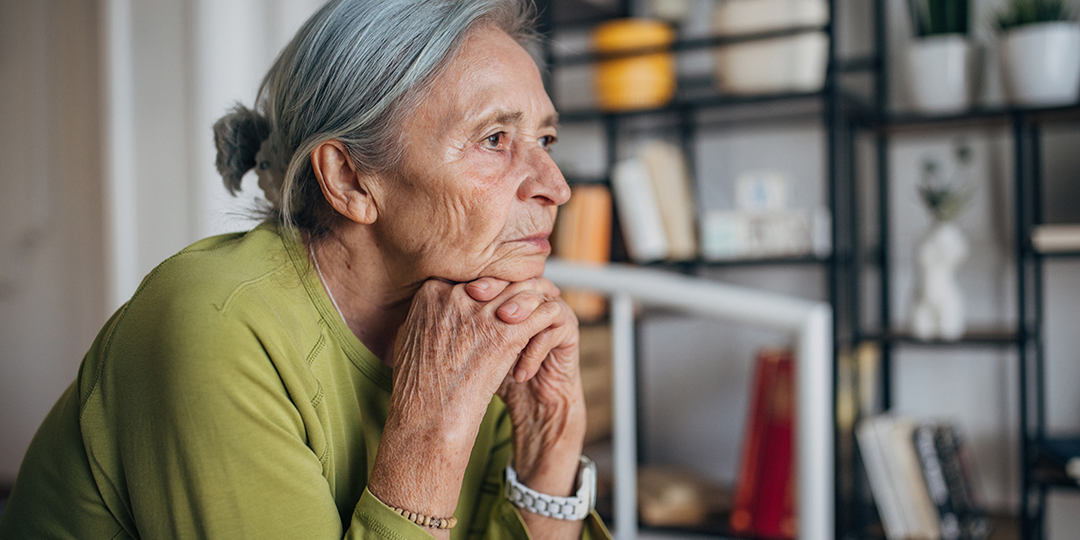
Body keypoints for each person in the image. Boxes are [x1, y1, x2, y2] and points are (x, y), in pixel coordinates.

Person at [0, 1, 611, 538]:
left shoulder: (475, 320)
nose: (556, 187)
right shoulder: (215, 323)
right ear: (350, 180)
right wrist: (434, 431)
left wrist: (549, 446)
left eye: (546, 140)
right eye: (495, 139)